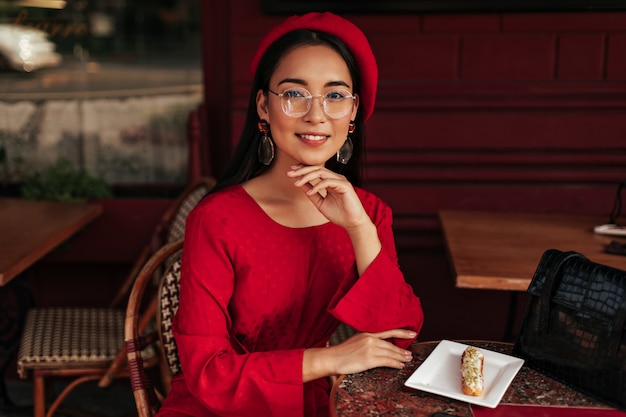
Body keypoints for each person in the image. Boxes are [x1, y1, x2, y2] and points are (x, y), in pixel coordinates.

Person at [158, 11, 424, 417]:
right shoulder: (217, 218)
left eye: (335, 96)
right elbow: (206, 372)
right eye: (294, 94)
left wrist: (358, 227)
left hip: (318, 404)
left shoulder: (368, 212)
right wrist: (330, 359)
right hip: (221, 405)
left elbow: (399, 340)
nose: (316, 115)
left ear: (353, 113)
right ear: (263, 107)